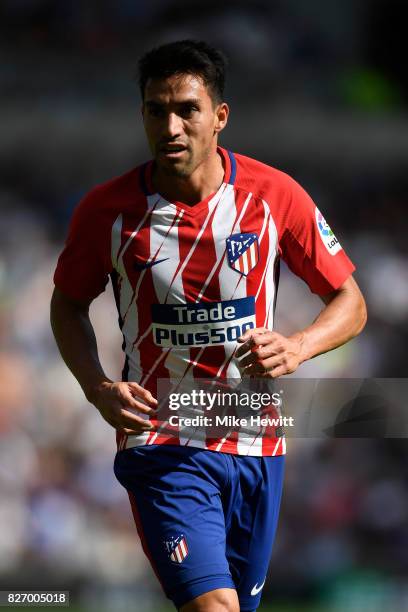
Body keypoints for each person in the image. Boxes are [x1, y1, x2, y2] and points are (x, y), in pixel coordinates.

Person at [50, 40, 367, 612]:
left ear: (219, 116)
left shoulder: (274, 196)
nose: (170, 126)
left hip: (255, 439)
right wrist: (97, 387)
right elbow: (67, 304)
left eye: (187, 110)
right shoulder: (107, 211)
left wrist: (299, 346)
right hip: (163, 438)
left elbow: (349, 300)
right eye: (156, 110)